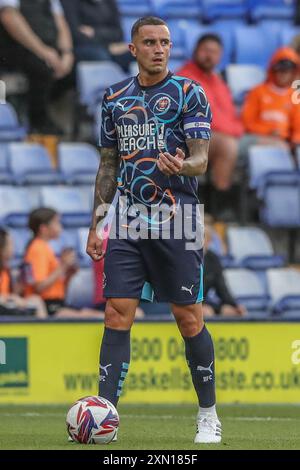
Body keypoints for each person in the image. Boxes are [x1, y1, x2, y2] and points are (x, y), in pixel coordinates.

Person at [86, 16, 222, 444]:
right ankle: (103, 417)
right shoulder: (114, 98)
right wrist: (97, 223)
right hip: (127, 215)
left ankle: (208, 414)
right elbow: (108, 164)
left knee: (188, 318)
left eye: (164, 42)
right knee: (116, 313)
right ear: (133, 49)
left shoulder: (189, 93)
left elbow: (203, 159)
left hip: (178, 214)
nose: (159, 49)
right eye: (149, 42)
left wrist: (181, 165)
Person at [177, 34, 243, 205]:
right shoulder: (186, 78)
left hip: (223, 133)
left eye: (214, 52)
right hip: (190, 134)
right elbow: (206, 117)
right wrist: (233, 132)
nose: (209, 55)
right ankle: (220, 207)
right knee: (227, 145)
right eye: (205, 50)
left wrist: (236, 130)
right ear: (195, 51)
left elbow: (230, 114)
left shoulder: (218, 81)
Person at [0, 0, 74, 134]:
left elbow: (60, 21)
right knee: (41, 67)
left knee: (75, 69)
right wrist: (43, 51)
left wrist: (67, 53)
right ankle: (38, 123)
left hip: (49, 48)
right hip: (19, 47)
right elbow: (9, 17)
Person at [23, 208, 105, 319]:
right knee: (94, 316)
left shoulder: (45, 248)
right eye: (56, 222)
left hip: (56, 303)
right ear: (43, 228)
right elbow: (39, 286)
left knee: (91, 313)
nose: (60, 226)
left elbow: (55, 287)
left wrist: (68, 274)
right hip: (47, 305)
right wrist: (63, 266)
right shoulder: (38, 248)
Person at [241, 47, 300, 156]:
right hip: (259, 138)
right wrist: (268, 131)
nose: (283, 74)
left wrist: (295, 140)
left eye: (287, 71)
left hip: (286, 142)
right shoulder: (257, 91)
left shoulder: (295, 95)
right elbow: (247, 122)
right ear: (273, 70)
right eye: (280, 70)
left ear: (293, 73)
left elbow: (298, 125)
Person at [61, 0, 132, 71]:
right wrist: (107, 47)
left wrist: (94, 32)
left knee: (136, 53)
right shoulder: (70, 2)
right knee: (101, 55)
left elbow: (119, 33)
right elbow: (76, 35)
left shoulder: (110, 2)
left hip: (110, 46)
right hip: (83, 47)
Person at [0, 227, 48, 318]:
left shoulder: (6, 270)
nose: (13, 248)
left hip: (8, 305)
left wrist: (19, 288)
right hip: (4, 305)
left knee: (36, 300)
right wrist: (9, 298)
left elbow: (9, 294)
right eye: (10, 244)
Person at [203, 226, 246, 318]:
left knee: (230, 311)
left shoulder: (213, 258)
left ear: (209, 240)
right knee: (206, 312)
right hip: (186, 303)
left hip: (204, 302)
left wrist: (235, 305)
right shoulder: (186, 257)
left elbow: (221, 287)